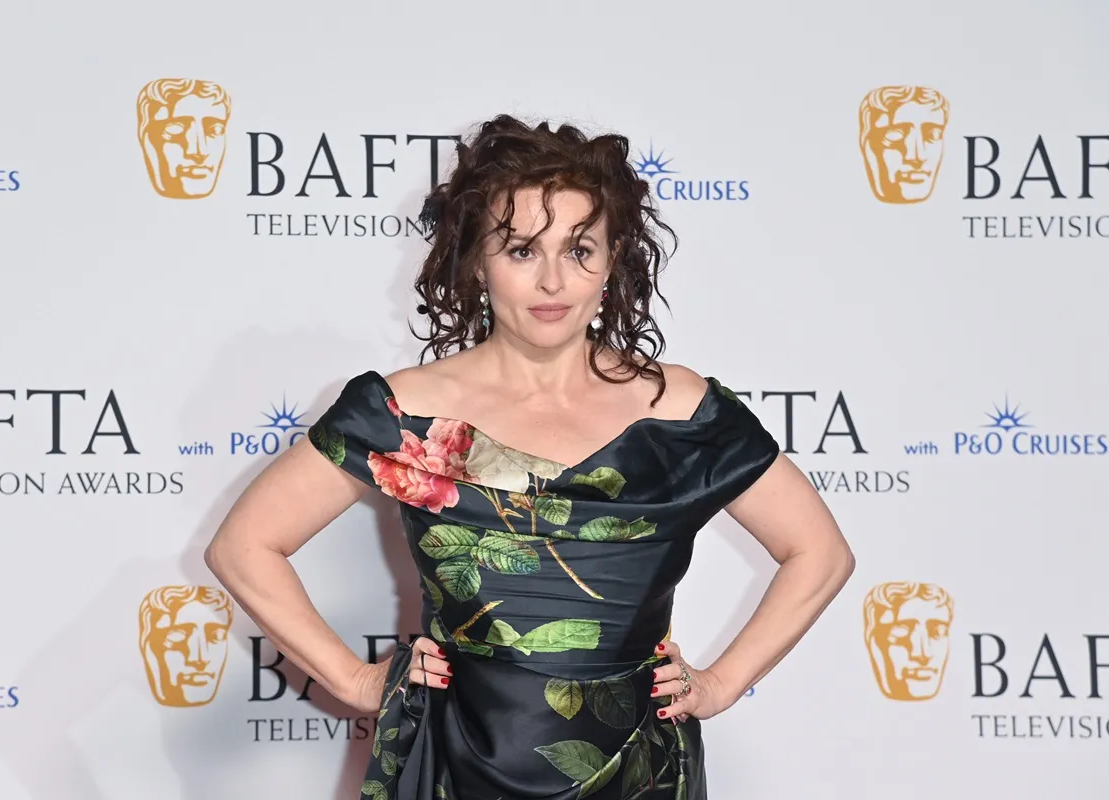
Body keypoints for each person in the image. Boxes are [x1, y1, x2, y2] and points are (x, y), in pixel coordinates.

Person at [204, 115, 855, 798]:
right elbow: (245, 546)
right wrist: (356, 680)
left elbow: (820, 553)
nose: (553, 281)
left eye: (579, 250)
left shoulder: (678, 409)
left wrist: (722, 683)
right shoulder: (403, 412)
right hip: (459, 760)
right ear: (477, 259)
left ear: (613, 262)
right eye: (521, 250)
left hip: (633, 767)